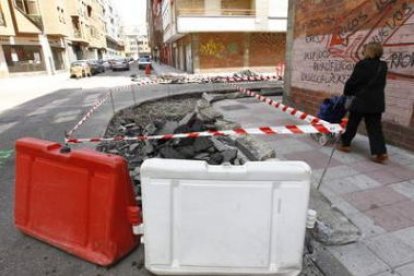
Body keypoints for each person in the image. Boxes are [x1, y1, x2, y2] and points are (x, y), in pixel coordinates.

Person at [338, 42, 388, 163]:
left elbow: (353, 81)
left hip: (361, 100)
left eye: (364, 49)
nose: (363, 51)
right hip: (376, 102)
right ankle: (380, 152)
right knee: (375, 127)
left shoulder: (362, 64)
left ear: (369, 51)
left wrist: (347, 93)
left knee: (353, 123)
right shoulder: (383, 66)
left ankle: (345, 144)